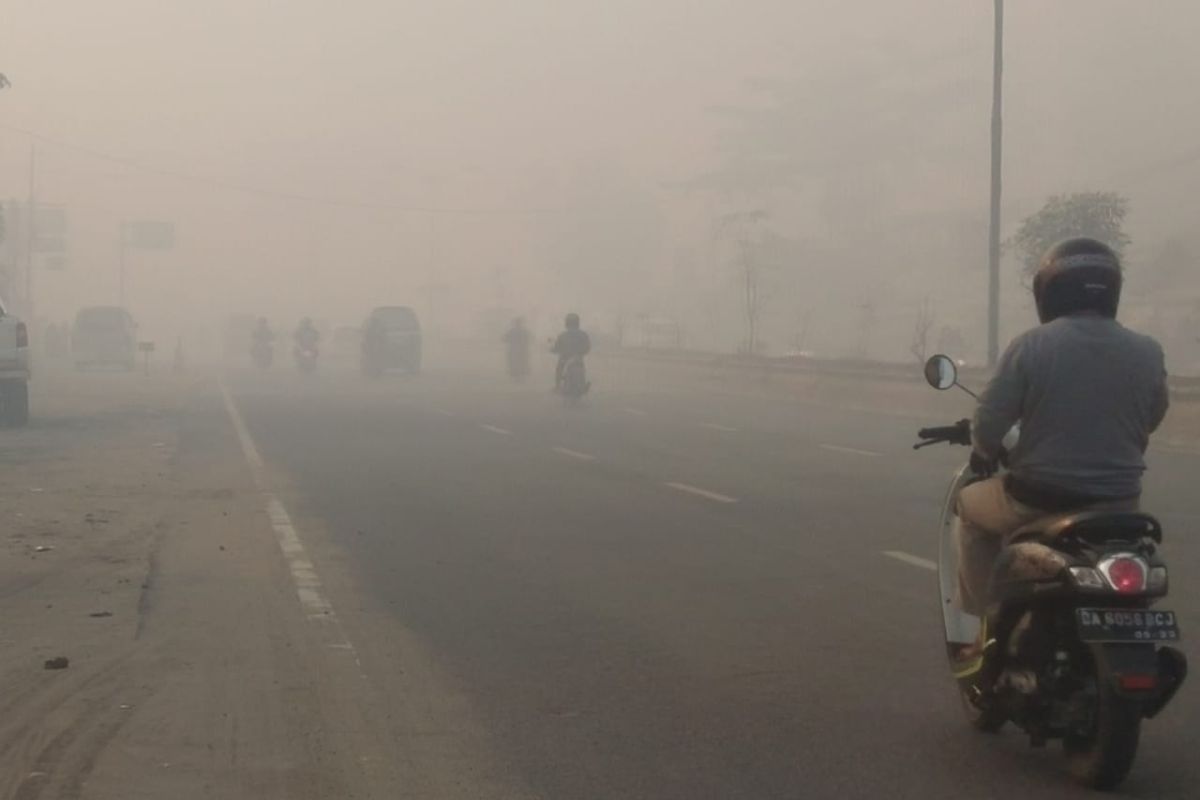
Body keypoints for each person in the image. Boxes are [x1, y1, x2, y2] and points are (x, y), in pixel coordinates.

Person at [954, 237, 1169, 662]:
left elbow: (991, 420)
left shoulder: (1032, 346)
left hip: (1038, 500)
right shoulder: (1147, 350)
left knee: (969, 508)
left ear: (1048, 291)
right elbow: (1153, 414)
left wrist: (983, 450)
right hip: (1120, 506)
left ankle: (986, 630)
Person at [552, 312, 590, 389]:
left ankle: (557, 385)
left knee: (559, 368)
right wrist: (581, 353)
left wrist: (553, 350)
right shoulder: (583, 334)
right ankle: (582, 382)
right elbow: (587, 347)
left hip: (565, 358)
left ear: (567, 323)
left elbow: (556, 347)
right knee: (582, 366)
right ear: (577, 322)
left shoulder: (563, 335)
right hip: (578, 358)